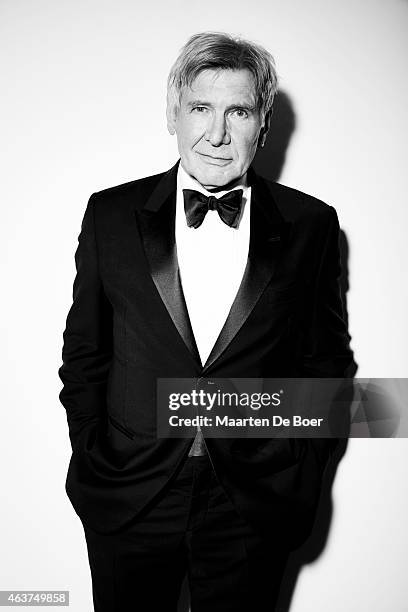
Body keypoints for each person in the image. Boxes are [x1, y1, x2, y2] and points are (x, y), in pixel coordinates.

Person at [58, 31, 356, 612]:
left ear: (262, 125)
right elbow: (84, 355)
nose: (216, 133)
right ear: (173, 113)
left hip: (252, 498)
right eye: (200, 108)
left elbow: (327, 363)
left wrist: (302, 464)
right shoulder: (110, 215)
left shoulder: (312, 224)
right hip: (131, 492)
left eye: (238, 111)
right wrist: (92, 450)